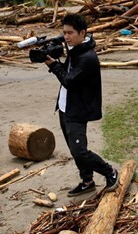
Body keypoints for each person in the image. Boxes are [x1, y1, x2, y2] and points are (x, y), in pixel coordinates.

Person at [44, 14, 119, 197]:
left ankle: (110, 172)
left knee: (79, 151)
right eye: (64, 33)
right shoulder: (76, 48)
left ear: (82, 33)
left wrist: (53, 65)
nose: (66, 37)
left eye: (70, 33)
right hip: (65, 107)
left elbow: (68, 80)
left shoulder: (88, 57)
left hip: (77, 110)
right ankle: (87, 181)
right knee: (74, 149)